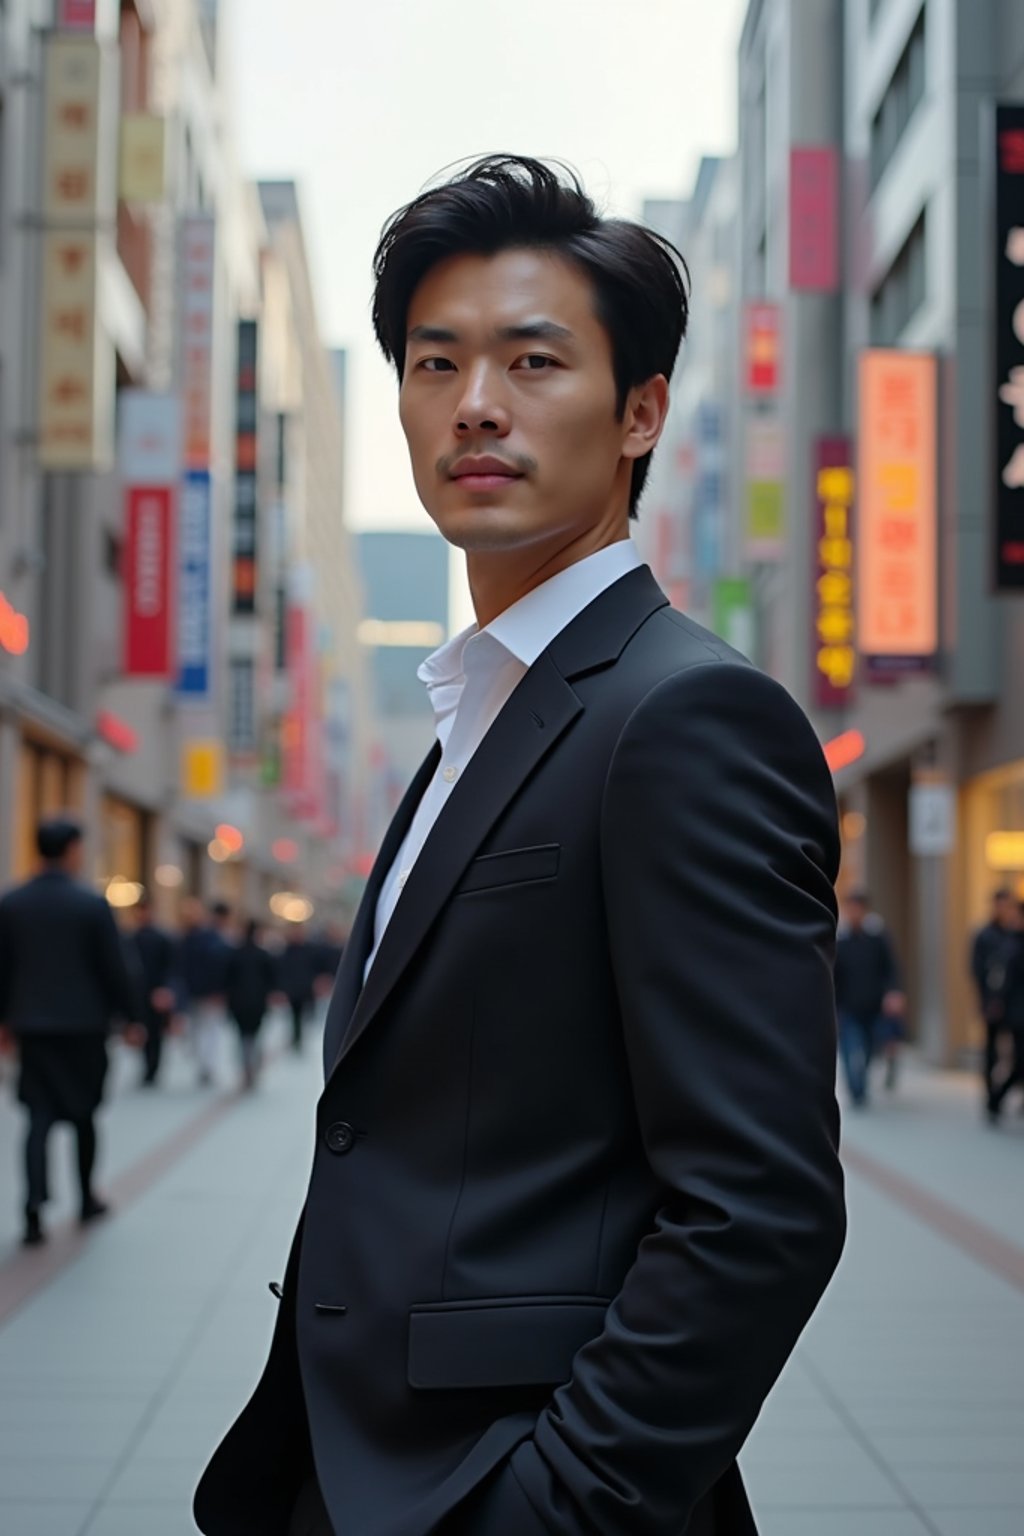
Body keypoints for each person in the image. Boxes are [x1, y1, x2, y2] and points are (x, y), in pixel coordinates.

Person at [195, 155, 844, 1536]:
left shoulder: (687, 715)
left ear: (641, 411)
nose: (474, 405)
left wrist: (558, 1505)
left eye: (533, 360)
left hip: (508, 1486)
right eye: (435, 365)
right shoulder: (478, 715)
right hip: (356, 1461)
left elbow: (759, 1202)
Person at [0, 817, 137, 1246]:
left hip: (33, 1027)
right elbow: (115, 968)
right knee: (84, 1115)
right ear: (73, 849)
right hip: (84, 1026)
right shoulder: (90, 904)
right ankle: (84, 1198)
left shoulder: (13, 903)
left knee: (37, 1118)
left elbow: (2, 970)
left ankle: (34, 1206)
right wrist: (132, 1017)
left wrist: (4, 1021)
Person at [834, 890, 906, 1107]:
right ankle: (855, 1090)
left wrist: (894, 992)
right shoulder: (840, 938)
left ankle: (862, 1084)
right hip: (846, 1005)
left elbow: (890, 967)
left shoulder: (877, 936)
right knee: (848, 1047)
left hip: (873, 1005)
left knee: (866, 1048)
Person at [970, 887, 1020, 1109]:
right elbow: (977, 970)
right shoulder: (985, 935)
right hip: (993, 1002)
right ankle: (991, 1095)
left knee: (1018, 1054)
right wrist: (987, 999)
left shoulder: (1015, 934)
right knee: (991, 1051)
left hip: (1015, 1005)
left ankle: (998, 1095)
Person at [177, 898, 232, 1088]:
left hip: (198, 991)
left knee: (202, 1029)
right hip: (207, 992)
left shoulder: (200, 936)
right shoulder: (213, 938)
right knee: (208, 1029)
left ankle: (205, 1065)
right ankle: (206, 1065)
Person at [129, 889, 177, 1087]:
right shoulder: (131, 938)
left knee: (156, 1033)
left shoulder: (162, 938)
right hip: (138, 992)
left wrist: (165, 989)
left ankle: (153, 1069)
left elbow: (171, 966)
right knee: (142, 1031)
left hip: (156, 991)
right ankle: (146, 1068)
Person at [226, 919, 277, 1090]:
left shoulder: (235, 953)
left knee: (242, 1037)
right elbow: (272, 979)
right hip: (257, 1002)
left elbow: (227, 979)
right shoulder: (263, 954)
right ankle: (252, 1067)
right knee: (254, 1036)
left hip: (238, 1002)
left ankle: (246, 1067)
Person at [276, 924, 317, 1052]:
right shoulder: (287, 950)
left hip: (304, 988)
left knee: (303, 1016)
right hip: (292, 989)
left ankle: (298, 1038)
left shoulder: (308, 950)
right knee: (294, 1016)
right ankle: (295, 1038)